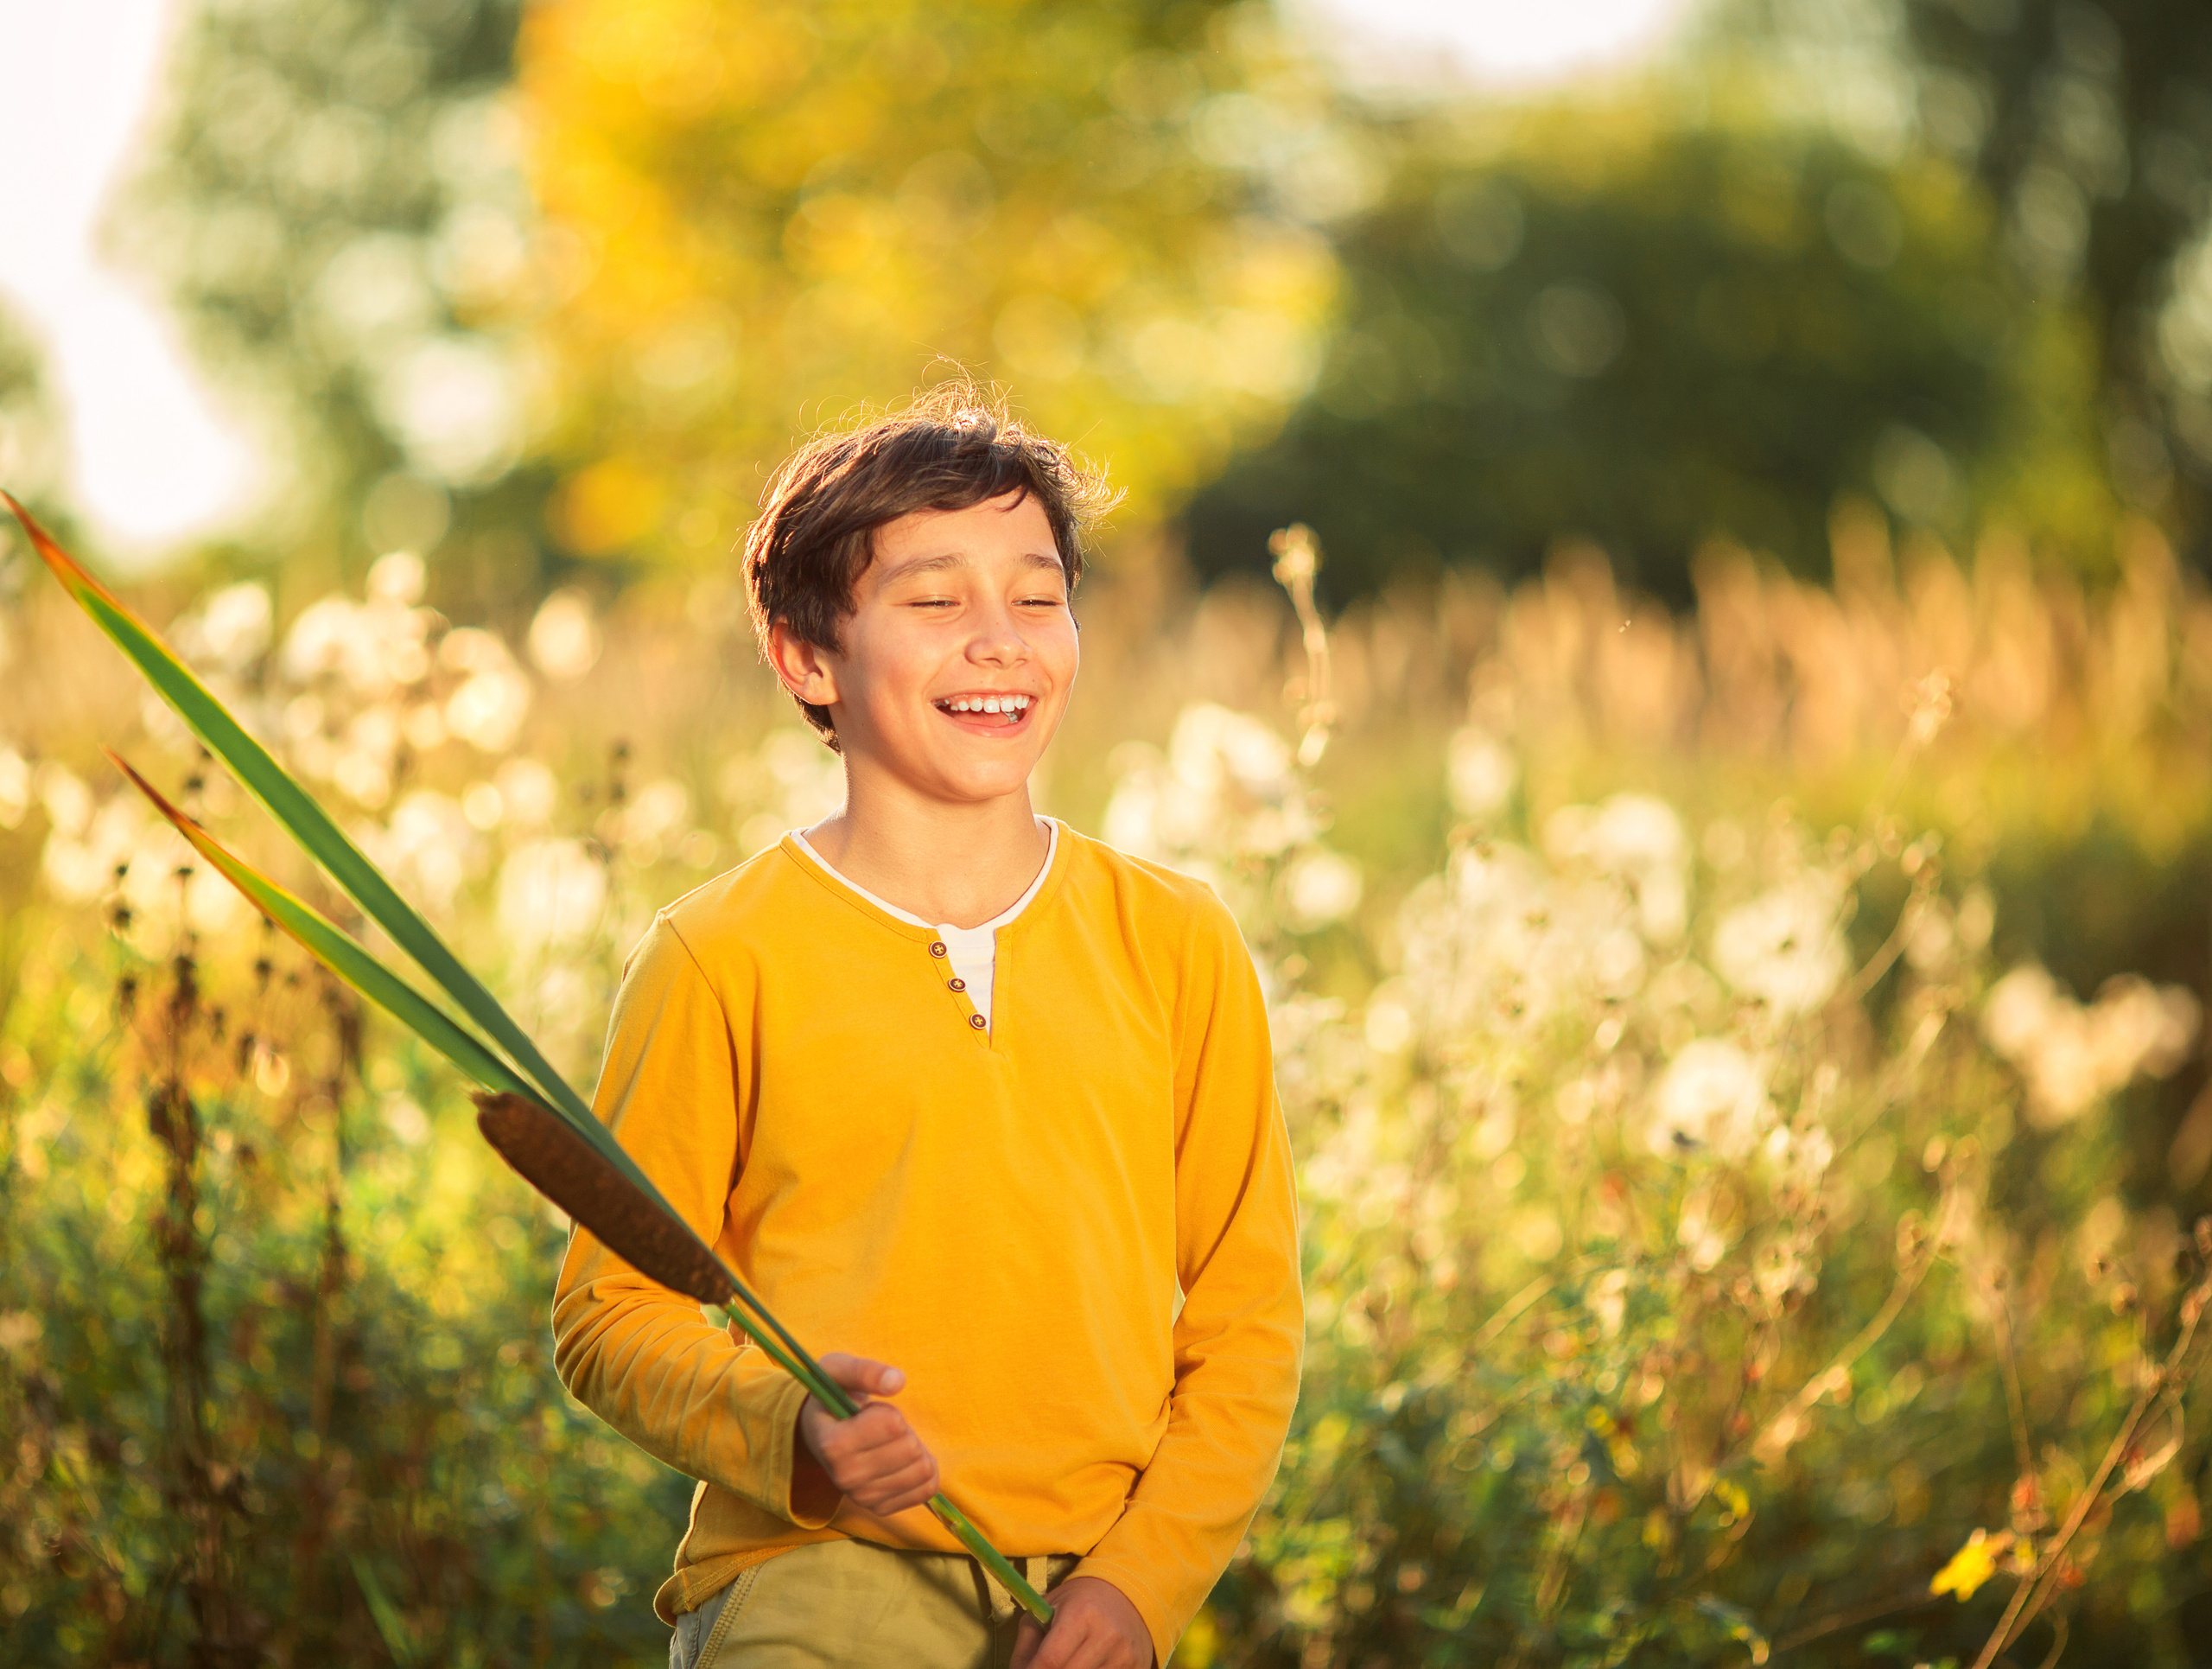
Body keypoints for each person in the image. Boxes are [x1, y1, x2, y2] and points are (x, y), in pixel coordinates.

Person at [551, 388, 1303, 1669]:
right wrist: (791, 1424)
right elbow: (610, 1314)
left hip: (1091, 1609)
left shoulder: (1177, 938)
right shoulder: (717, 954)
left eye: (1037, 593)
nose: (1001, 640)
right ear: (804, 657)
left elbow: (1248, 1318)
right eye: (935, 601)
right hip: (816, 1589)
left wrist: (1142, 1582)